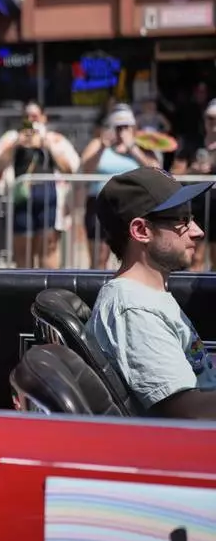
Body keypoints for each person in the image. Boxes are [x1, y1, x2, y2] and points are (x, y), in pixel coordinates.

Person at [86, 167, 216, 420]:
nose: (197, 231)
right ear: (141, 231)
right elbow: (187, 412)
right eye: (182, 220)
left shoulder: (149, 295)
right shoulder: (135, 310)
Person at [0, 101, 79, 268]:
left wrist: (47, 145)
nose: (31, 120)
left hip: (47, 195)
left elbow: (69, 169)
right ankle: (26, 284)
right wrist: (16, 144)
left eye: (35, 116)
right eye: (27, 117)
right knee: (22, 249)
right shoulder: (12, 137)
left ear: (44, 118)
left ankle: (49, 283)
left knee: (48, 246)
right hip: (22, 196)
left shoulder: (53, 138)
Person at [79, 104, 159, 269]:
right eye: (118, 127)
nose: (122, 131)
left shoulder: (140, 145)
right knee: (99, 257)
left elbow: (156, 171)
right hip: (100, 203)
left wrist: (133, 148)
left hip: (132, 206)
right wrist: (102, 147)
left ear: (133, 127)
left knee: (133, 256)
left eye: (126, 127)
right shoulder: (99, 144)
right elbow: (85, 169)